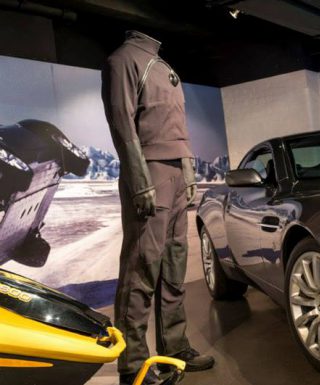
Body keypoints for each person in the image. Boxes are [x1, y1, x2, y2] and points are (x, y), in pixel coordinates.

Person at [101, 30, 214, 385]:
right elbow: (122, 122)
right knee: (141, 268)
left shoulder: (161, 64)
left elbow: (176, 127)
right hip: (149, 174)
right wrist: (138, 179)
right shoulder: (123, 59)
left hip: (175, 177)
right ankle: (133, 365)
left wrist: (188, 168)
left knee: (174, 265)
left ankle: (175, 348)